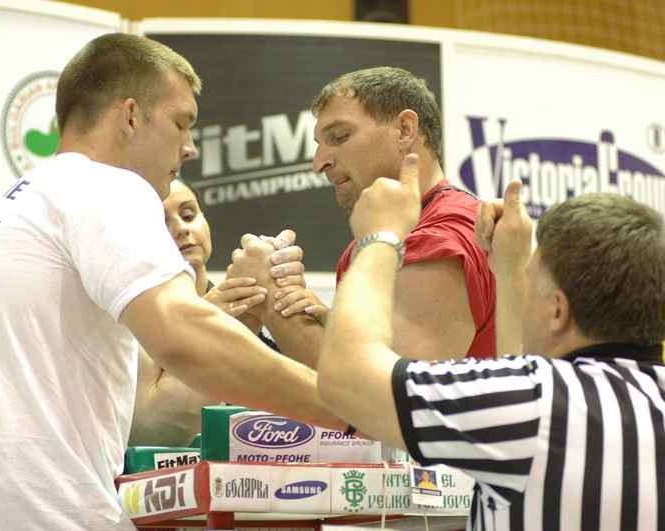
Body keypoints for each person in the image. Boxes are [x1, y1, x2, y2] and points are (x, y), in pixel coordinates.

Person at [0, 33, 344, 531]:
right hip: (50, 516)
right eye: (181, 123)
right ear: (130, 116)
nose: (190, 147)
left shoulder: (32, 198)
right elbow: (183, 337)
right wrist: (344, 406)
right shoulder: (106, 187)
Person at [317, 152, 665, 530]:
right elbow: (529, 371)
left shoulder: (529, 404)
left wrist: (379, 239)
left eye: (533, 284)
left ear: (558, 311)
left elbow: (346, 380)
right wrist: (511, 268)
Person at [229, 67, 496, 368]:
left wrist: (271, 299)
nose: (319, 163)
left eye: (339, 136)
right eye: (318, 145)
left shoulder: (439, 238)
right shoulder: (379, 242)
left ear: (405, 129)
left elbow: (389, 399)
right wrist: (317, 320)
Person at [131, 179, 292, 446]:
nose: (181, 229)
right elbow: (149, 433)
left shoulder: (246, 307)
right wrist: (208, 325)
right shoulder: (130, 325)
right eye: (160, 223)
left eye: (188, 215)